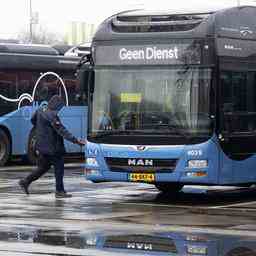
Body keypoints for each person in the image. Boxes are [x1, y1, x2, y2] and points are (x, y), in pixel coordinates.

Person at [19, 95, 86, 198]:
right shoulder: (52, 116)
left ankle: (25, 181)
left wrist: (41, 128)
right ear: (56, 106)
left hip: (41, 147)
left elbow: (33, 120)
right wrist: (76, 141)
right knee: (59, 167)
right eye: (59, 107)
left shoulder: (40, 110)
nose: (59, 110)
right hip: (52, 148)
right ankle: (59, 191)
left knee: (43, 168)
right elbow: (62, 130)